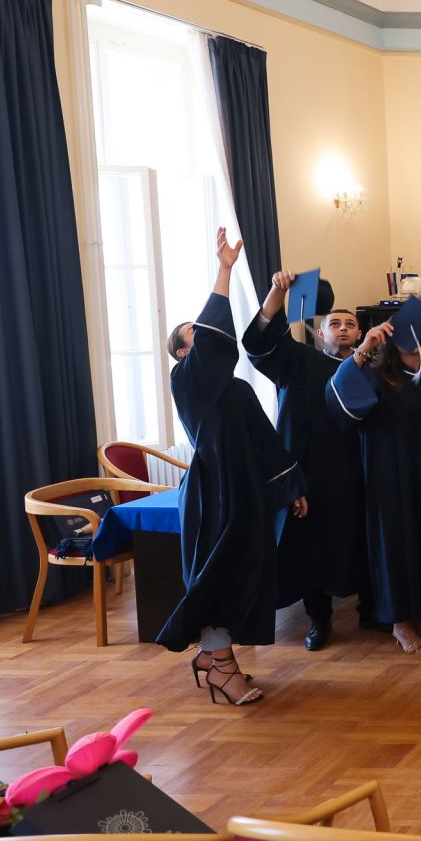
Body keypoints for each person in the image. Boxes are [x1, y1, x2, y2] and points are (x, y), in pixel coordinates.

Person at [157, 229, 304, 706]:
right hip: (213, 495)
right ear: (185, 353)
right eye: (195, 334)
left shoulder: (236, 390)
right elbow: (217, 341)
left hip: (245, 491)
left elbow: (264, 437)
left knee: (243, 570)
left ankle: (215, 656)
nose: (205, 336)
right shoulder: (186, 380)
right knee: (217, 572)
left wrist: (290, 486)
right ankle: (221, 667)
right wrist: (224, 271)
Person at [243, 268, 364, 651]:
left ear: (360, 334)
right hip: (310, 472)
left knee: (359, 540)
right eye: (335, 324)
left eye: (349, 325)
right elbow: (260, 343)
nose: (342, 329)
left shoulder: (371, 367)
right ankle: (319, 619)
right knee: (312, 548)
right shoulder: (297, 360)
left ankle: (375, 610)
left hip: (356, 471)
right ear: (320, 332)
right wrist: (277, 293)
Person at [327, 298, 421, 657]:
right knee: (395, 545)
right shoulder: (376, 374)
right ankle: (400, 620)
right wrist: (364, 348)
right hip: (388, 473)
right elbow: (337, 397)